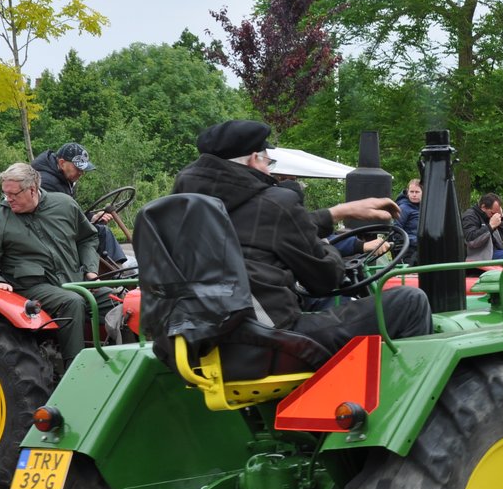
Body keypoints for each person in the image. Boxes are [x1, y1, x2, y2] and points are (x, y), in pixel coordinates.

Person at [171, 119, 431, 353]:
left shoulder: (180, 207)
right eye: (269, 162)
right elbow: (326, 278)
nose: (270, 171)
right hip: (269, 342)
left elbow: (261, 227)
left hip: (194, 348)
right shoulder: (275, 203)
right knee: (410, 301)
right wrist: (326, 245)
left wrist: (336, 213)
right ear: (253, 159)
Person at [0, 162, 106, 367]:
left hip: (73, 281)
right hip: (32, 288)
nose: (8, 199)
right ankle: (76, 369)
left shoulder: (65, 205)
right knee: (72, 302)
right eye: (5, 193)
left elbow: (87, 238)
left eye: (13, 194)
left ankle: (124, 362)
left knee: (121, 302)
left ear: (32, 189)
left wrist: (91, 270)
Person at [31, 141, 128, 267]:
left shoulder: (64, 178)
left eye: (83, 169)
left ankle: (112, 269)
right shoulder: (46, 182)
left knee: (98, 229)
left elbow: (71, 210)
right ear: (62, 163)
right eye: (78, 168)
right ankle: (117, 270)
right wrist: (87, 224)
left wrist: (91, 218)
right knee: (101, 233)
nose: (81, 173)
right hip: (48, 234)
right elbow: (59, 217)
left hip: (58, 228)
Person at [396, 178, 422, 264]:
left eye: (417, 192)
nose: (414, 195)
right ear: (408, 192)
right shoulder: (403, 208)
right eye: (412, 192)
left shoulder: (425, 208)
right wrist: (413, 241)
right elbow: (396, 230)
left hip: (422, 247)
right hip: (409, 250)